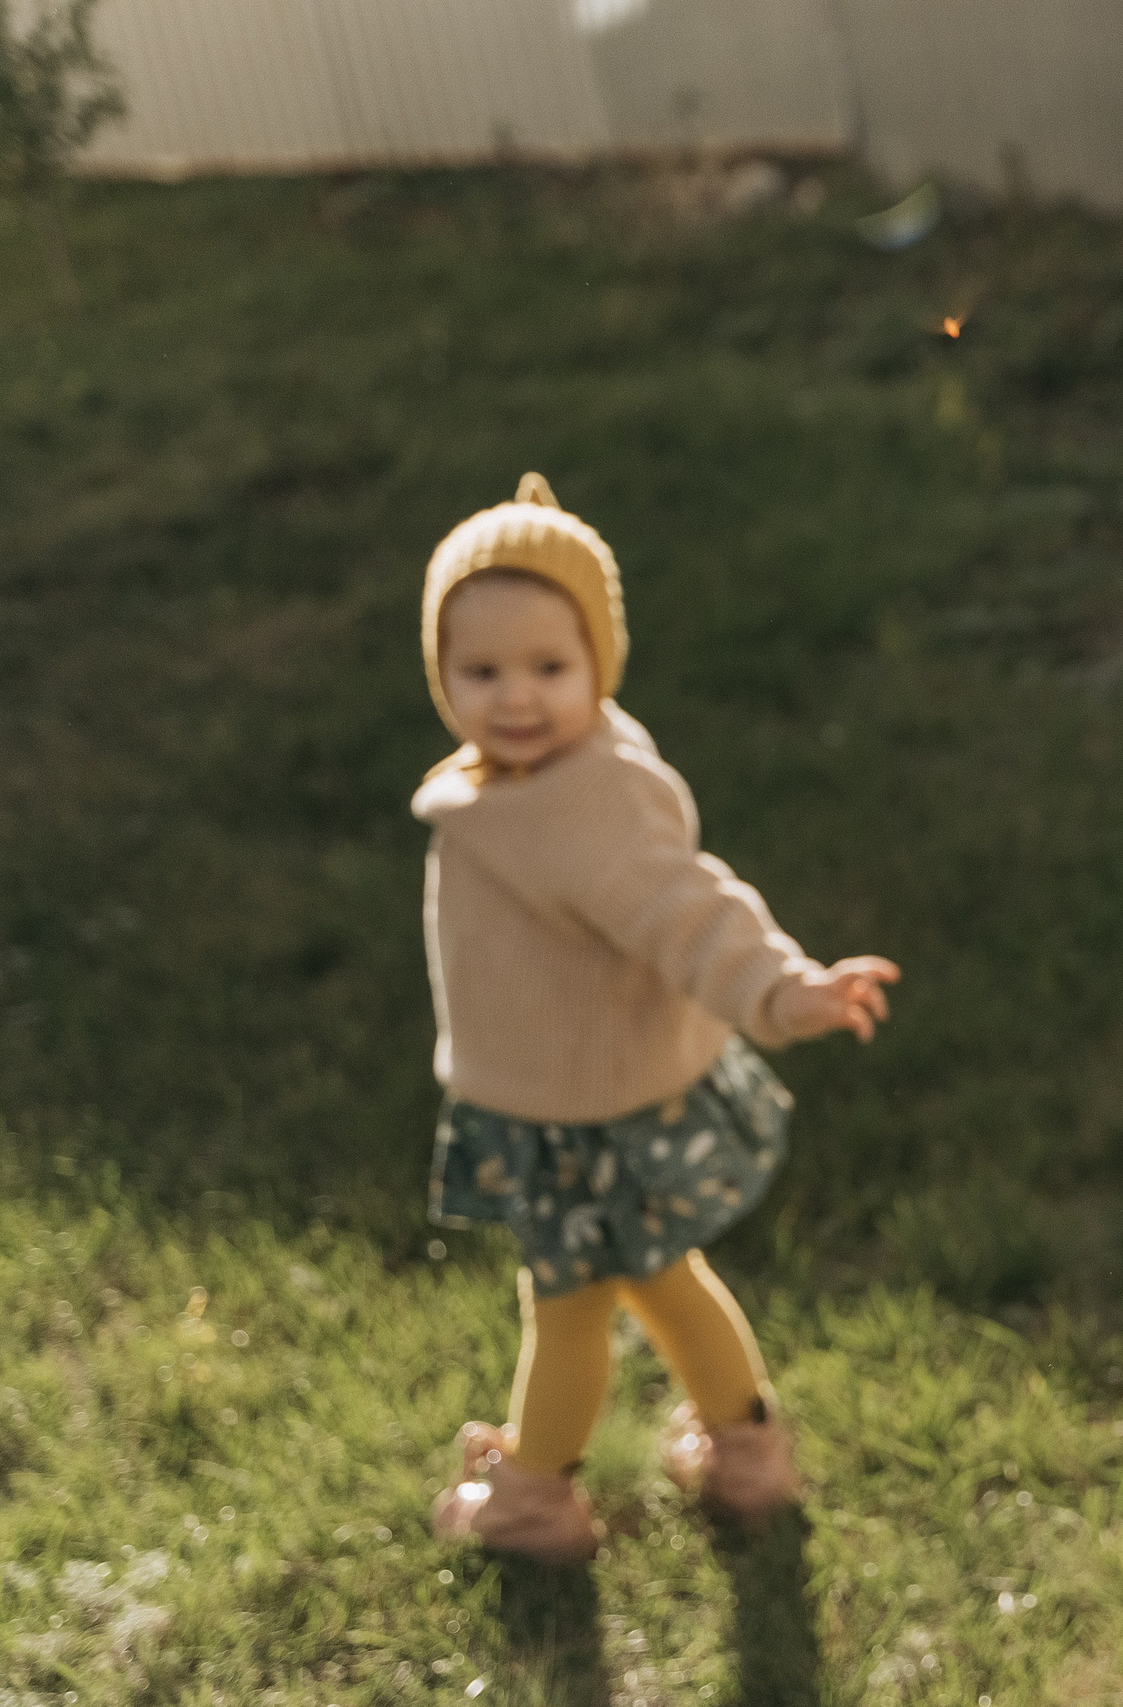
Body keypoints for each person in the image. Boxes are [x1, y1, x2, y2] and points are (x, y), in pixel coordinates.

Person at [414, 473, 899, 1561]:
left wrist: (782, 988)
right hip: (591, 1093)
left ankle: (534, 1500)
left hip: (577, 1116)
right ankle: (748, 1451)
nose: (516, 697)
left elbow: (690, 909)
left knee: (570, 1308)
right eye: (479, 670)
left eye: (550, 666)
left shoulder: (579, 802)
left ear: (601, 663)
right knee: (664, 1278)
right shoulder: (519, 778)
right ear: (439, 674)